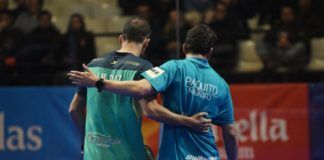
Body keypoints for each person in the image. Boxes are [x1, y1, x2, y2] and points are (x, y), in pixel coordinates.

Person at [68, 24, 238, 160]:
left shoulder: (174, 68)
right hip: (209, 155)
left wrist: (98, 82)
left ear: (184, 46)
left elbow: (142, 90)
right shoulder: (222, 85)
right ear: (210, 52)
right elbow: (230, 132)